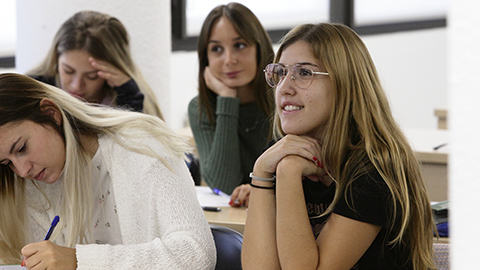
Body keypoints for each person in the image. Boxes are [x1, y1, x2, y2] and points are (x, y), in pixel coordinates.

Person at [242, 23, 436, 269]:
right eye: (280, 73)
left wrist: (288, 172)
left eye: (304, 73)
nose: (285, 87)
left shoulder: (374, 169)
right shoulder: (280, 153)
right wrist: (260, 171)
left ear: (346, 85)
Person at [0, 73, 216, 269]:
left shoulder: (141, 145)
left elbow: (196, 253)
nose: (22, 170)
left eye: (21, 148)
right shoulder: (30, 183)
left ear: (51, 114)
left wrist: (79, 261)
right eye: (7, 163)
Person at [188, 2, 274, 206]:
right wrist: (227, 99)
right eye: (217, 49)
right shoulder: (200, 108)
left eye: (240, 45)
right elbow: (224, 185)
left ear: (259, 48)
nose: (229, 59)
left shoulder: (284, 97)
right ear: (205, 58)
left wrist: (261, 188)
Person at [28, 10, 164, 119]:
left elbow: (137, 148)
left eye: (92, 76)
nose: (76, 85)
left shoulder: (129, 95)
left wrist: (129, 97)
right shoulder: (34, 91)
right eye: (68, 71)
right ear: (56, 60)